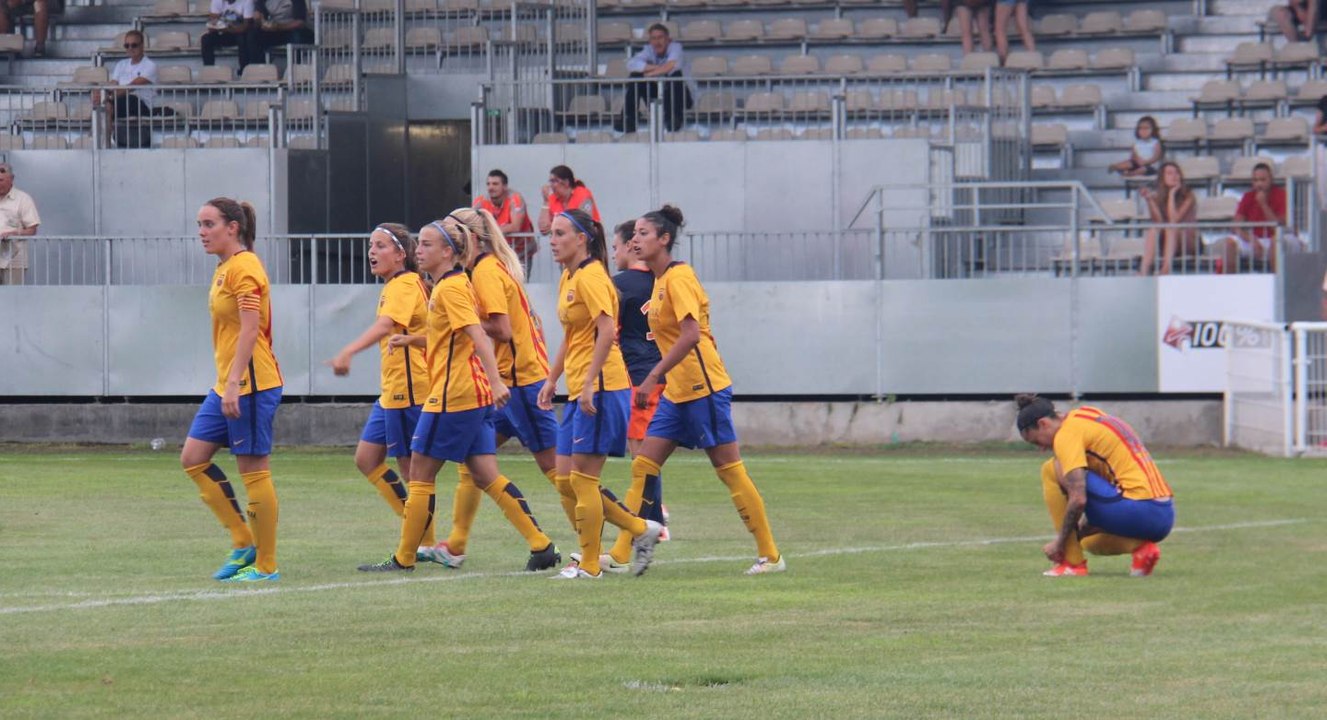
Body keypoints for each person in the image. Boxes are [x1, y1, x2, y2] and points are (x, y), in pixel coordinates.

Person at [359, 218, 559, 573]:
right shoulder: (452, 285)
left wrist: (498, 381)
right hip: (472, 394)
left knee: (419, 473)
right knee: (485, 475)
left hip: (454, 394)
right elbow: (457, 337)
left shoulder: (449, 288)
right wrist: (414, 340)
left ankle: (405, 557)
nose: (419, 250)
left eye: (427, 245)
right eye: (419, 244)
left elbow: (480, 335)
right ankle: (541, 545)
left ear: (449, 251)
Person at [628, 205, 784, 576]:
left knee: (729, 470)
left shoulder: (679, 278)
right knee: (643, 466)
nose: (636, 239)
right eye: (633, 233)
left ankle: (771, 556)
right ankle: (624, 552)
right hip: (678, 393)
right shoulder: (659, 280)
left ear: (664, 239)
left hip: (703, 387)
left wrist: (652, 378)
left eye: (643, 233)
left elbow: (691, 335)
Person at [415, 208, 564, 572]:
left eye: (451, 231)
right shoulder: (481, 271)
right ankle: (460, 544)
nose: (444, 238)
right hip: (499, 386)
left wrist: (460, 320)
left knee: (561, 472)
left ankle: (628, 529)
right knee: (476, 467)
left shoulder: (483, 273)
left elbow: (500, 329)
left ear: (468, 238)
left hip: (517, 383)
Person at [535, 209, 664, 580]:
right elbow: (573, 336)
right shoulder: (568, 277)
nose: (552, 240)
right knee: (564, 480)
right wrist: (551, 378)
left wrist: (590, 381)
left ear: (582, 239)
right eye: (551, 234)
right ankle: (641, 529)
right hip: (579, 387)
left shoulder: (592, 277)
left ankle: (590, 565)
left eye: (560, 234)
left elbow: (607, 333)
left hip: (603, 387)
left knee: (583, 480)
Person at [180, 197, 283, 583]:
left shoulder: (246, 268)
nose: (202, 233)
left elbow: (251, 329)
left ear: (232, 228)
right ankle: (243, 542)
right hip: (228, 383)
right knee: (193, 457)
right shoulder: (225, 268)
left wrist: (236, 384)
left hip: (251, 384)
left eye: (209, 224)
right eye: (199, 225)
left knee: (254, 471)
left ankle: (267, 566)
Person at [326, 223, 435, 554]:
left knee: (411, 470)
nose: (371, 252)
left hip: (409, 390)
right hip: (391, 391)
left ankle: (425, 543)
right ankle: (417, 532)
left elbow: (387, 325)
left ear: (401, 254)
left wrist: (348, 351)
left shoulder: (404, 283)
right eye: (370, 246)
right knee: (367, 458)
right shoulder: (395, 285)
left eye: (380, 246)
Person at [1015, 395, 1175, 578]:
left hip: (1136, 509)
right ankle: (1142, 550)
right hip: (1163, 514)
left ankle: (1071, 564)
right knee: (1090, 542)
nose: (1041, 449)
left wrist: (1060, 543)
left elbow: (1079, 499)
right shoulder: (1085, 414)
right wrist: (1080, 532)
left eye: (1036, 441)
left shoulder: (1066, 435)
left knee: (1051, 469)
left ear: (1043, 424)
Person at [603, 219, 669, 570]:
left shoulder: (619, 285)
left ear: (630, 246)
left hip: (639, 378)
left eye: (616, 246)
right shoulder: (662, 281)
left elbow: (608, 332)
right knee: (646, 460)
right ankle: (654, 518)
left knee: (641, 460)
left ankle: (643, 530)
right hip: (660, 373)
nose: (614, 253)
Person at [617, 22, 693, 134]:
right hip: (660, 95)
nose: (657, 42)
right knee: (635, 76)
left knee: (675, 75)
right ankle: (629, 120)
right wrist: (655, 68)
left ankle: (674, 119)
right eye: (653, 38)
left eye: (660, 38)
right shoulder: (649, 50)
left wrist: (649, 73)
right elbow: (631, 64)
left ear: (668, 39)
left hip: (683, 98)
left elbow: (671, 66)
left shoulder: (676, 48)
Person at [1214, 163, 1286, 274]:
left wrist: (1263, 205)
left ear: (1270, 180)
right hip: (1254, 240)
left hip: (1275, 239)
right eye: (1255, 180)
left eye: (1263, 180)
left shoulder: (1281, 195)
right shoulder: (1248, 196)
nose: (1259, 184)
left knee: (1275, 242)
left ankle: (1277, 284)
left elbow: (1278, 226)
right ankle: (1229, 284)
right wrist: (1251, 239)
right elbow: (1235, 226)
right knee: (1229, 244)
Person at [473, 169, 537, 279]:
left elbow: (515, 226)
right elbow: (471, 224)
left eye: (495, 184)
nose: (491, 187)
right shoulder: (480, 201)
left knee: (520, 286)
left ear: (505, 186)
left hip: (521, 253)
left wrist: (490, 231)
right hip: (497, 253)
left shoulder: (515, 199)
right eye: (488, 184)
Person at [1138, 161, 1197, 276]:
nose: (1174, 176)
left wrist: (1172, 194)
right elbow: (1158, 222)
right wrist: (1149, 200)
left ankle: (1165, 269)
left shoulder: (1189, 195)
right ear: (1162, 178)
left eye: (1176, 173)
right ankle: (1144, 270)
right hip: (1167, 242)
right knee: (1153, 229)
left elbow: (1174, 220)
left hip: (1187, 241)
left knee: (1171, 228)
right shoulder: (1158, 196)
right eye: (1169, 173)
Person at [104, 29, 158, 149]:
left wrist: (110, 96)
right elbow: (113, 84)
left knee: (124, 99)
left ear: (142, 46)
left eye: (134, 45)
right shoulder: (121, 64)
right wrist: (105, 94)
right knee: (102, 103)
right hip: (120, 101)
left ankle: (104, 137)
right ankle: (105, 139)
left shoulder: (150, 65)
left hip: (141, 104)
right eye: (127, 45)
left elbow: (131, 87)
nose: (130, 48)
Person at [0, 163, 40, 286]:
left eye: (1, 180)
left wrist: (14, 233)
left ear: (11, 179)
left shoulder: (23, 199)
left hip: (14, 262)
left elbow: (32, 229)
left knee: (12, 298)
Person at [537, 165, 600, 236]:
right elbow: (543, 229)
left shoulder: (583, 194)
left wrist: (557, 226)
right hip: (565, 242)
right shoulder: (552, 198)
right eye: (550, 181)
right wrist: (546, 201)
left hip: (588, 240)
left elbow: (583, 225)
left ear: (566, 182)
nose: (551, 185)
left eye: (554, 181)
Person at [250, 0, 312, 66]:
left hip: (296, 29)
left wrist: (278, 27)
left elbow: (300, 23)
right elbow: (260, 19)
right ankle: (259, 69)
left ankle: (294, 69)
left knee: (296, 37)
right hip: (276, 29)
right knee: (254, 35)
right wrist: (258, 20)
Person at [202, 0, 255, 69]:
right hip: (224, 33)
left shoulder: (247, 1)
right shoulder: (217, 1)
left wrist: (227, 28)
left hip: (240, 33)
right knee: (206, 39)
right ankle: (209, 69)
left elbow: (246, 27)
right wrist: (213, 26)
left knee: (243, 39)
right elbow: (213, 22)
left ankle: (244, 69)